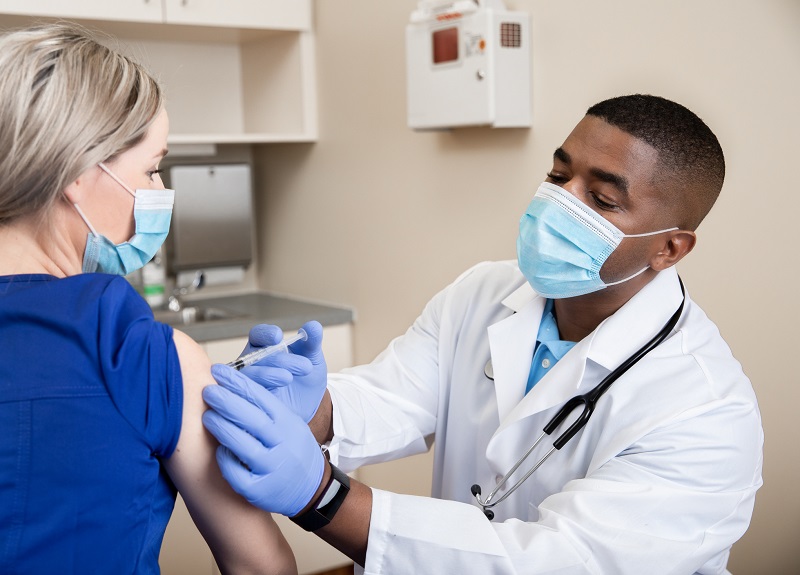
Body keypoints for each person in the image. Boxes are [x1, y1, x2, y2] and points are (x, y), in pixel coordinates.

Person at [201, 94, 764, 574]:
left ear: (670, 248)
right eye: (558, 174)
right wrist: (313, 408)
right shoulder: (485, 291)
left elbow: (556, 563)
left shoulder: (705, 410)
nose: (561, 202)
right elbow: (398, 394)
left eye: (602, 199)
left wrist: (323, 497)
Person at [0, 23, 296, 574]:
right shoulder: (131, 345)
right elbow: (264, 567)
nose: (160, 194)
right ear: (79, 172)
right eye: (153, 168)